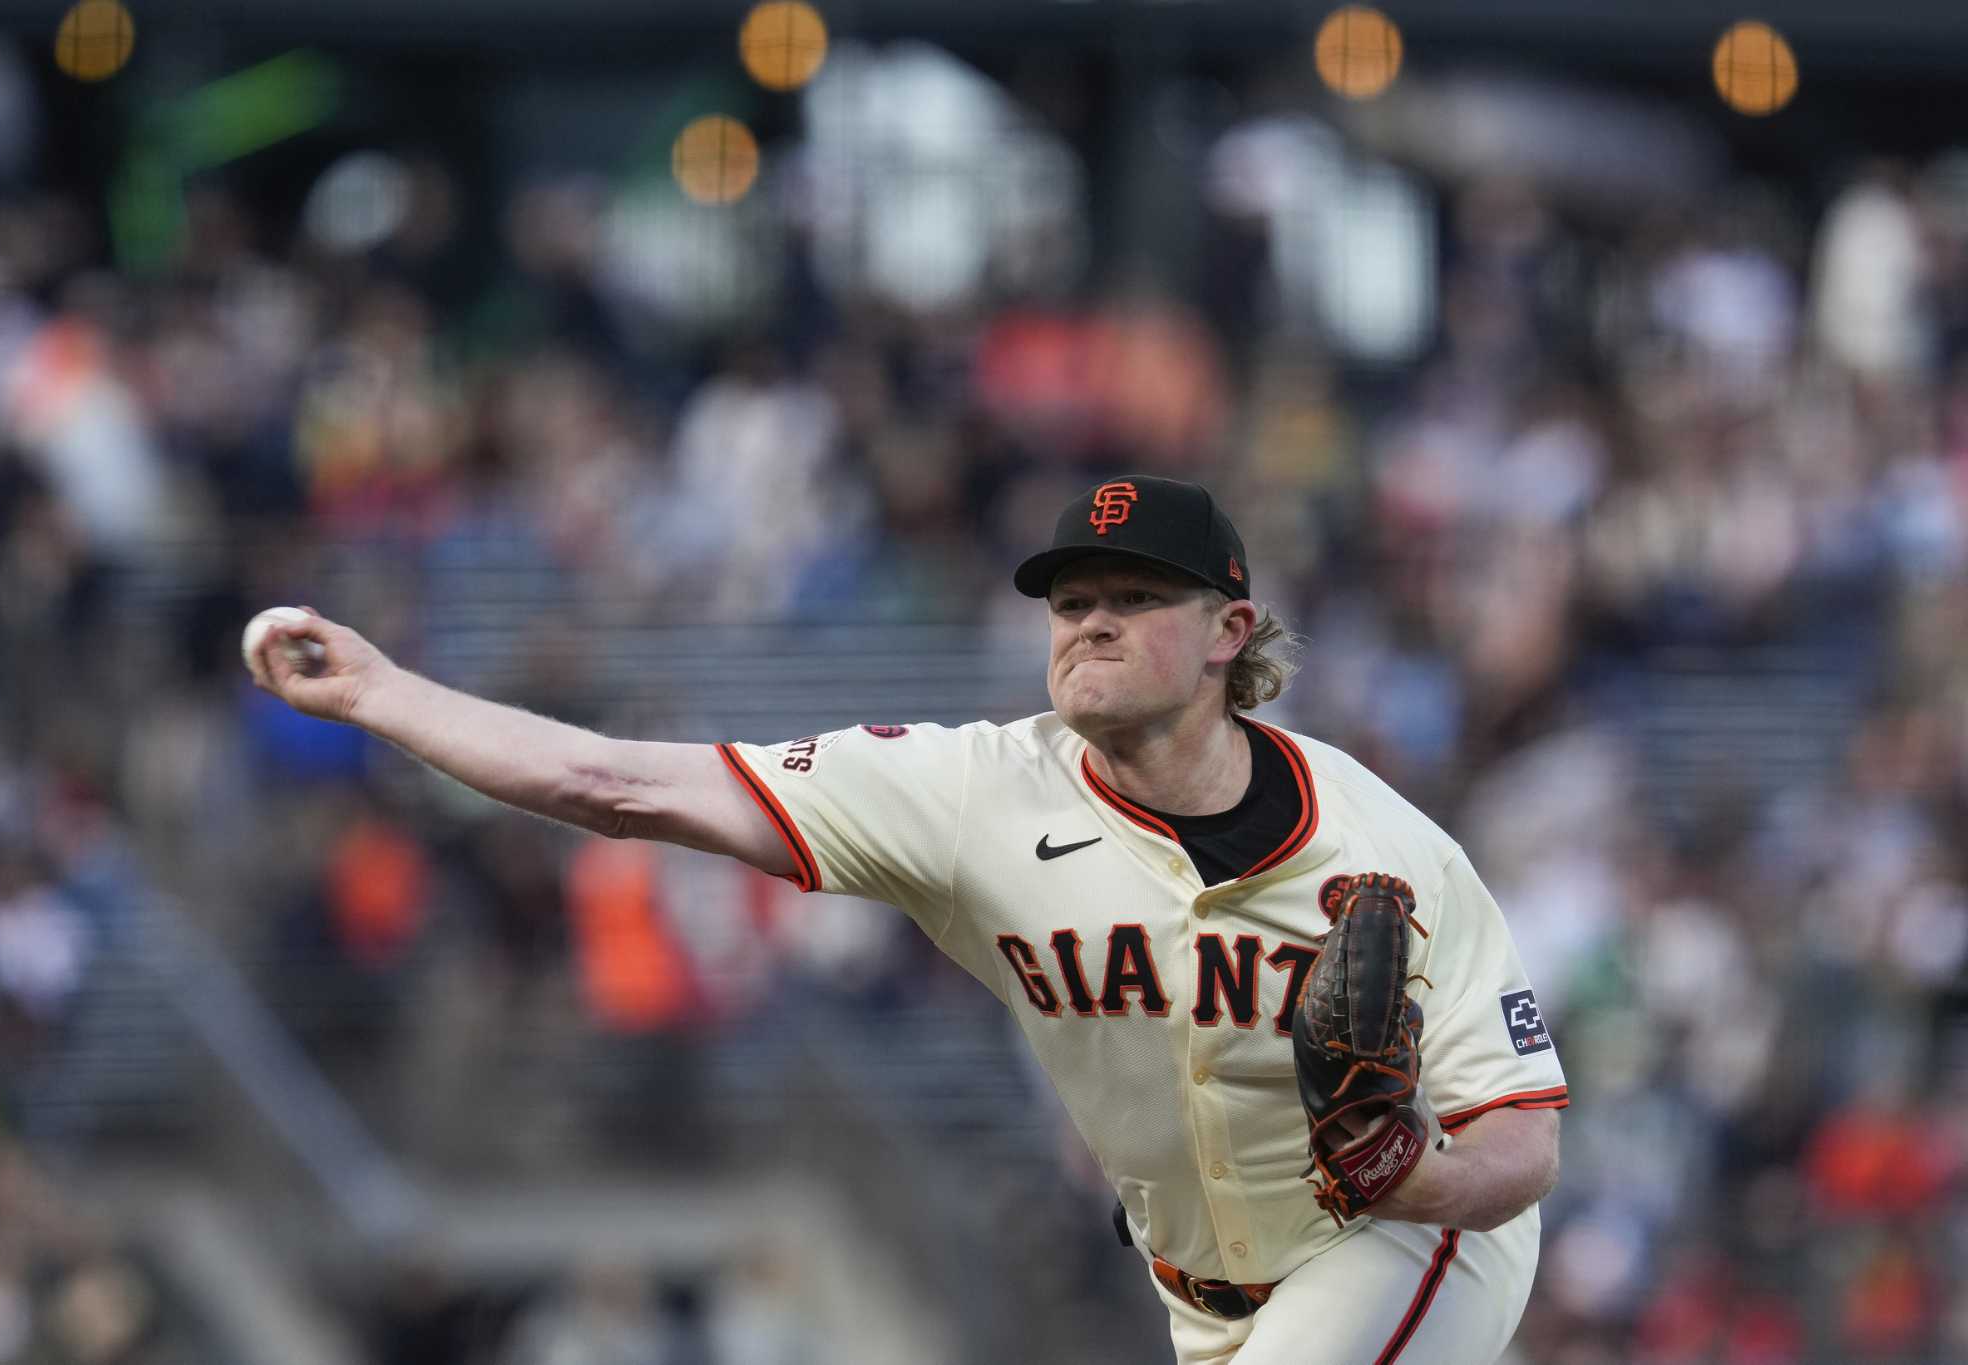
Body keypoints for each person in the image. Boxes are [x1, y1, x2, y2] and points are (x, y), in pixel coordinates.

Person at [248, 475, 1567, 1363]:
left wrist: (1413, 1175)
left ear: (1230, 631)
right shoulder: (971, 796)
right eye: (1072, 601)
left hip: (1411, 1238)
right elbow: (616, 782)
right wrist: (382, 694)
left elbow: (1522, 1140)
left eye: (1132, 598)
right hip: (1207, 1291)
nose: (1088, 625)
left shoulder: (1386, 847)